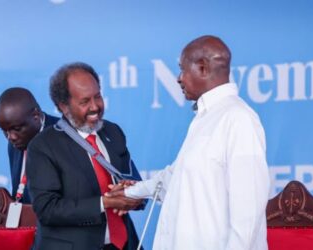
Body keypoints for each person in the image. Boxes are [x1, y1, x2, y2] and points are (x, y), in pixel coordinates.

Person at [108, 35, 270, 249]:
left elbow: (247, 214)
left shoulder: (238, 118)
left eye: (182, 69)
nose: (178, 79)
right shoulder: (205, 118)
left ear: (202, 68)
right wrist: (130, 192)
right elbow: (175, 177)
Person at [26, 62, 144, 250]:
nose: (95, 106)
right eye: (84, 101)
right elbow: (47, 209)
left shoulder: (113, 132)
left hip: (124, 244)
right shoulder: (43, 146)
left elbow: (133, 180)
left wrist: (133, 193)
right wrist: (104, 203)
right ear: (63, 106)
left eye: (98, 97)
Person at [0, 87, 59, 203]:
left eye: (17, 129)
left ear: (35, 116)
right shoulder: (15, 143)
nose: (11, 137)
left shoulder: (65, 136)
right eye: (5, 130)